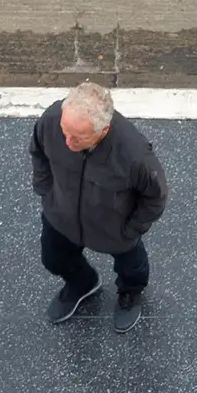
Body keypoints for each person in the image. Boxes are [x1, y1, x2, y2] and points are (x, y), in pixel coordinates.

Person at [32, 80, 167, 326]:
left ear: (103, 131)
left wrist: (131, 230)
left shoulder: (134, 155)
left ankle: (130, 293)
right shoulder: (52, 119)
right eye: (65, 131)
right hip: (61, 213)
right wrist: (46, 192)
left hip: (113, 225)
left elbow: (156, 196)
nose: (67, 143)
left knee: (131, 268)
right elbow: (38, 151)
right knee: (53, 258)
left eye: (78, 138)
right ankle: (82, 282)